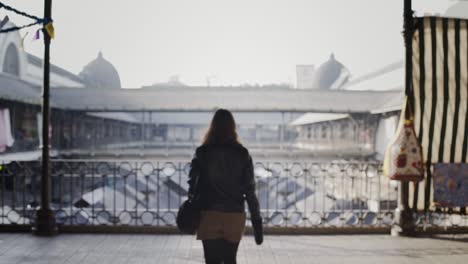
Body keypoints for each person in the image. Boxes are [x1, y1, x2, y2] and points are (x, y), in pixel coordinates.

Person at [188, 108, 263, 264]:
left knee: (211, 261)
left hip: (209, 214)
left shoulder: (202, 152)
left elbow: (192, 185)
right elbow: (250, 190)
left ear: (212, 126)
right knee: (230, 260)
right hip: (234, 216)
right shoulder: (242, 153)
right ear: (232, 127)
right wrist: (257, 222)